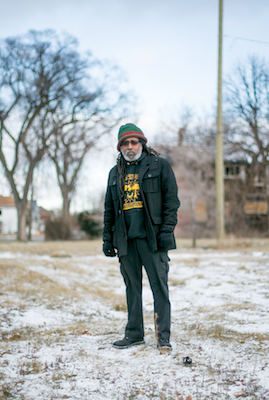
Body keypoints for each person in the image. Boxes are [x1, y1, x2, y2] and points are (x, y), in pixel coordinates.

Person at [103, 123, 180, 352]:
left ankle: (162, 337)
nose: (129, 147)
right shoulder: (115, 173)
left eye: (133, 142)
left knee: (159, 288)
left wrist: (166, 231)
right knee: (132, 289)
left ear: (142, 144)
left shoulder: (159, 166)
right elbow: (109, 209)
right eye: (125, 143)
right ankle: (134, 334)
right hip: (126, 241)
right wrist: (108, 239)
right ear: (120, 148)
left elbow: (171, 201)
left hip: (152, 239)